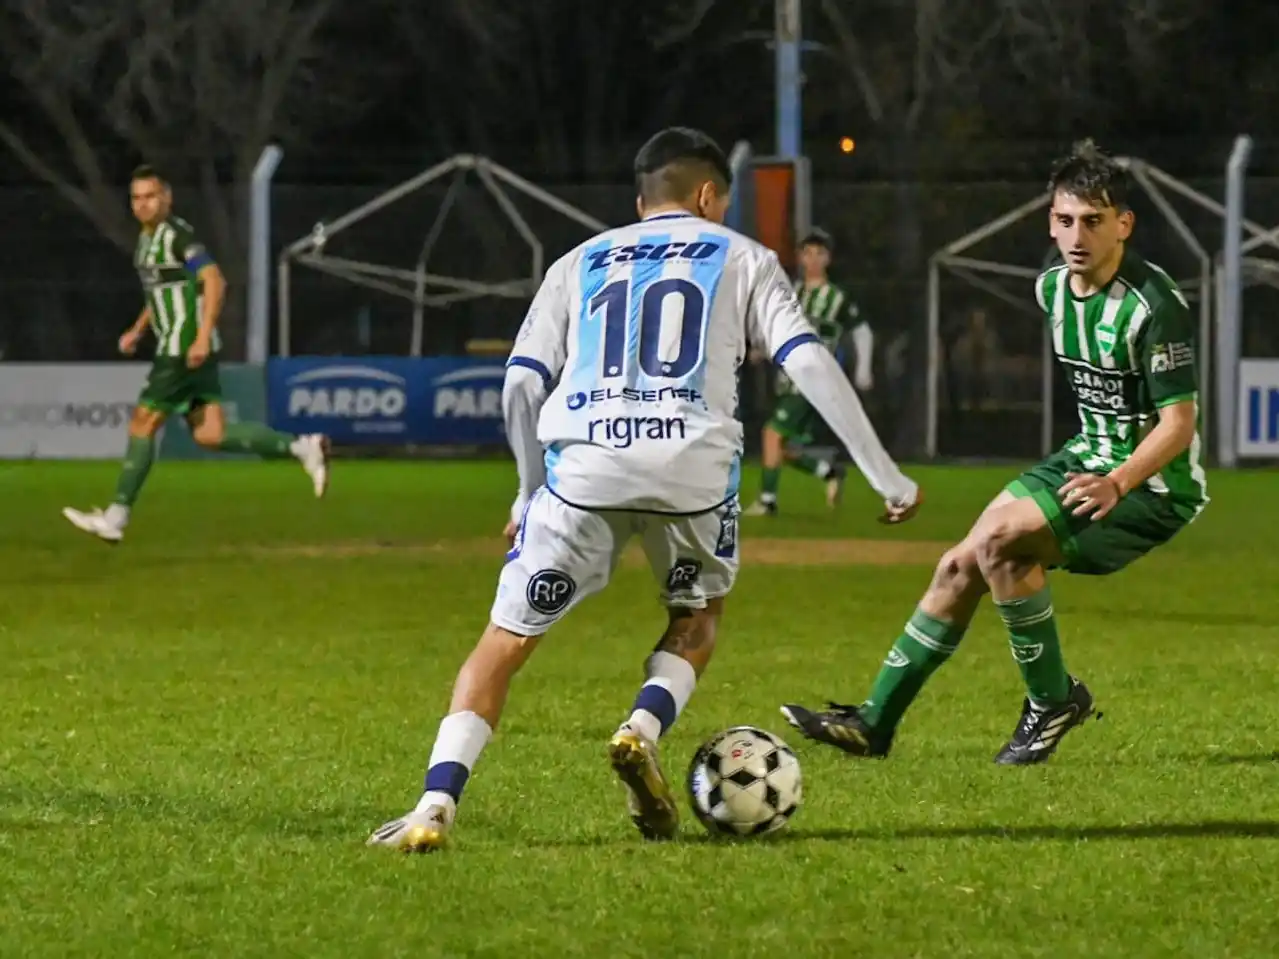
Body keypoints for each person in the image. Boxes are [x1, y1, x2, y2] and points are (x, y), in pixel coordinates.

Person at [368, 127, 921, 853]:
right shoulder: (743, 256)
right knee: (697, 613)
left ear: (640, 201)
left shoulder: (578, 259)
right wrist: (885, 472)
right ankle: (640, 727)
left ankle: (434, 803)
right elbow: (807, 359)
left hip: (582, 472)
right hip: (691, 474)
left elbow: (520, 386)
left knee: (501, 642)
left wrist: (526, 492)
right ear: (706, 195)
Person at [781, 139, 1208, 766]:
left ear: (1125, 224)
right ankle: (875, 722)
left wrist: (1117, 481)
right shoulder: (1051, 288)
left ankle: (1052, 699)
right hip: (1086, 456)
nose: (1077, 235)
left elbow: (1178, 424)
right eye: (1065, 220)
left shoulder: (1155, 306)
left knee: (1000, 543)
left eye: (1094, 220)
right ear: (1051, 223)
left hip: (1150, 483)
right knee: (959, 566)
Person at [62, 166, 330, 543]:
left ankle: (116, 517)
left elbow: (214, 280)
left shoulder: (177, 236)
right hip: (183, 344)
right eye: (136, 198)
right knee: (210, 434)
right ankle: (302, 447)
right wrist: (138, 330)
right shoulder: (145, 240)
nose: (143, 204)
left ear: (166, 198)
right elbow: (160, 293)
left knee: (142, 423)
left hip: (182, 345)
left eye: (150, 196)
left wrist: (201, 337)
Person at [744, 228, 874, 515]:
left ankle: (767, 501)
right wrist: (760, 349)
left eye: (820, 253)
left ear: (828, 259)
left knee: (771, 434)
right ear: (800, 257)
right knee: (781, 447)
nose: (813, 259)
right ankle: (828, 472)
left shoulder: (836, 297)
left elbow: (862, 330)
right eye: (808, 253)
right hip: (787, 379)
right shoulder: (792, 293)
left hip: (813, 379)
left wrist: (863, 369)